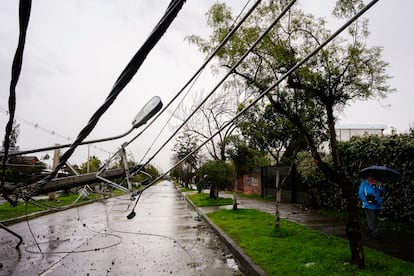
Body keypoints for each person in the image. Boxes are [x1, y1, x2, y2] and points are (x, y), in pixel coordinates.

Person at [358, 174, 385, 239]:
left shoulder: (378, 183)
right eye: (370, 176)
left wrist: (381, 187)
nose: (371, 177)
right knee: (372, 218)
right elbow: (360, 193)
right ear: (367, 176)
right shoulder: (364, 183)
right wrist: (365, 201)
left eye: (373, 176)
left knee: (374, 219)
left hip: (377, 205)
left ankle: (370, 229)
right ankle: (376, 233)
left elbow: (383, 192)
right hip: (368, 205)